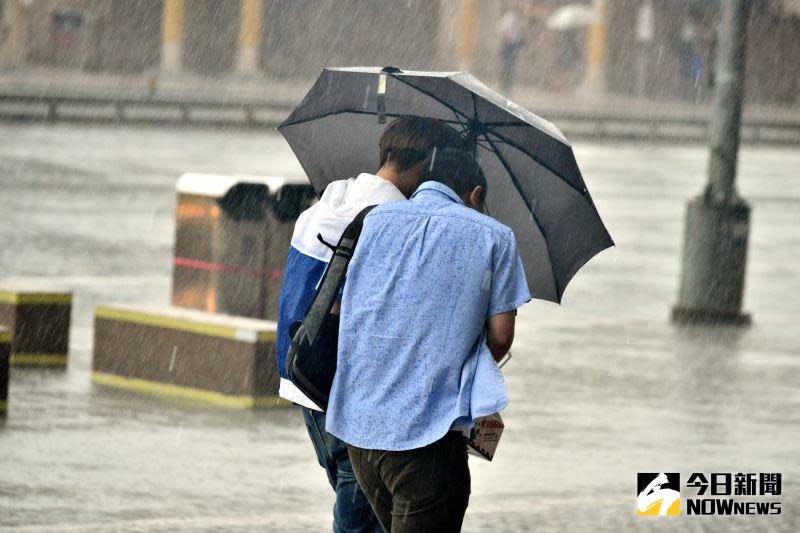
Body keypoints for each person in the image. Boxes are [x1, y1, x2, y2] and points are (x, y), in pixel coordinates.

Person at [275, 116, 465, 533]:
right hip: (354, 397)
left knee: (360, 507)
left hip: (304, 376)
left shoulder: (329, 200)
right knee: (363, 522)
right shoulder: (397, 222)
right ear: (425, 166)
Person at [326, 148, 531, 532]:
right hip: (426, 438)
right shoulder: (494, 236)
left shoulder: (373, 220)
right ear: (475, 194)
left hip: (360, 432)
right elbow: (501, 337)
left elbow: (350, 309)